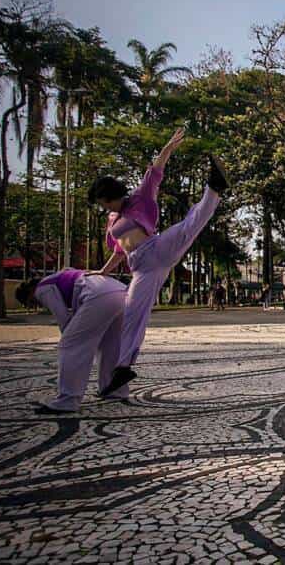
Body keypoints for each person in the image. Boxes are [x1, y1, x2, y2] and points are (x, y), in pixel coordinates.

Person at [89, 128, 230, 396]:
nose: (106, 207)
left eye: (107, 202)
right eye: (102, 204)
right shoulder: (111, 221)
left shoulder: (139, 197)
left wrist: (167, 148)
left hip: (156, 249)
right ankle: (122, 368)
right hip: (141, 267)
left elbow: (155, 171)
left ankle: (214, 187)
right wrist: (102, 271)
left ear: (115, 194)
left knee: (190, 226)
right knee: (133, 314)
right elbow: (119, 252)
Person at [16, 269, 129, 414]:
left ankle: (67, 400)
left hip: (99, 296)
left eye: (31, 302)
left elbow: (63, 318)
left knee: (70, 345)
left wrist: (71, 337)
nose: (37, 304)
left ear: (30, 292)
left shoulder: (42, 287)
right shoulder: (61, 276)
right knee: (110, 345)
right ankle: (115, 390)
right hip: (121, 292)